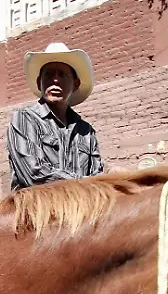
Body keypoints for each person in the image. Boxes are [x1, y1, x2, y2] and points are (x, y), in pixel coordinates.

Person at [7, 42, 102, 190]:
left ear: (75, 84)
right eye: (49, 75)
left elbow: (98, 177)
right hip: (36, 210)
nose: (55, 80)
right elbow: (33, 175)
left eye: (62, 75)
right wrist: (86, 184)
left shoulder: (86, 132)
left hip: (81, 210)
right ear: (40, 83)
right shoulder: (24, 119)